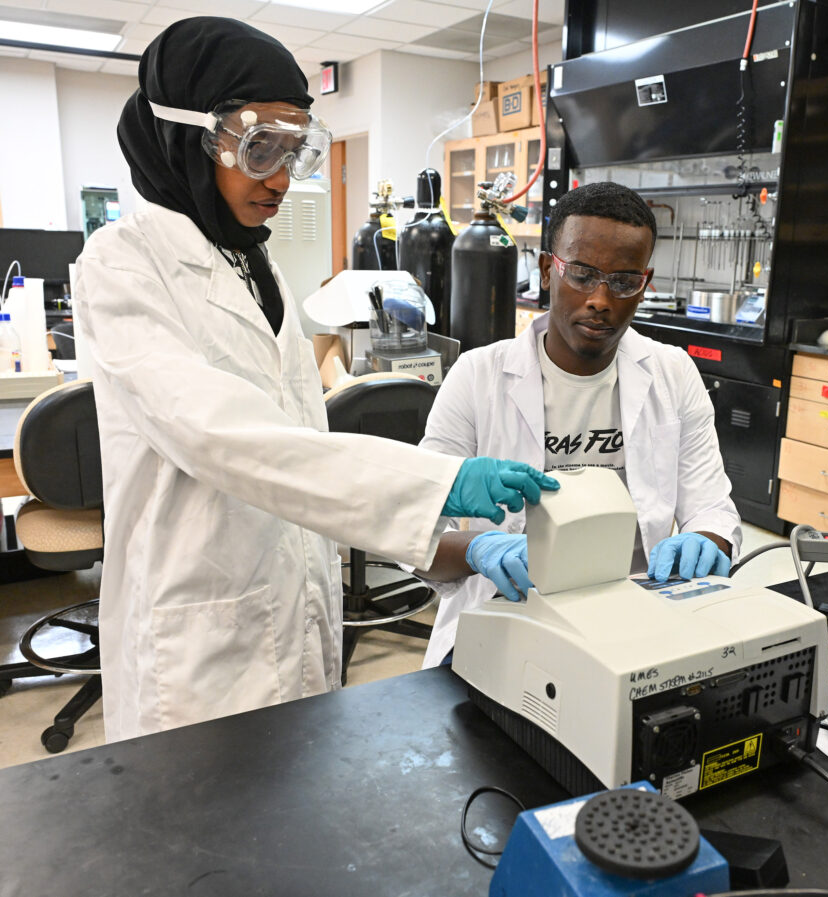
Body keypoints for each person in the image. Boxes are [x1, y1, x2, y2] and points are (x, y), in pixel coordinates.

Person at [74, 17, 556, 741]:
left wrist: (442, 542)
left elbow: (304, 455)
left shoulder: (252, 262)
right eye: (258, 146)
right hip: (197, 641)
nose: (279, 179)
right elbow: (226, 438)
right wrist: (433, 486)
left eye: (294, 151)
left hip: (295, 610)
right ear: (185, 137)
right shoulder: (122, 264)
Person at [414, 181, 742, 667]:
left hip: (635, 622)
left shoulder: (672, 372)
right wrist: (480, 548)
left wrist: (706, 541)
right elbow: (416, 527)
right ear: (549, 270)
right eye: (583, 275)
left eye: (624, 281)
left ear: (645, 283)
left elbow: (712, 507)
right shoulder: (478, 376)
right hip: (504, 620)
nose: (601, 299)